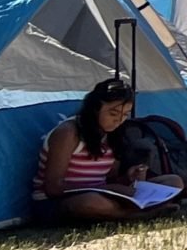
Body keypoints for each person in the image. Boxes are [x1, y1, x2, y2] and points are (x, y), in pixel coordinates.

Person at [31, 79, 153, 224]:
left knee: (173, 182)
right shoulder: (69, 132)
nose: (119, 120)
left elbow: (110, 180)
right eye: (113, 114)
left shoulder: (114, 134)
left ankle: (126, 210)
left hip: (102, 193)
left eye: (125, 115)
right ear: (95, 108)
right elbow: (53, 188)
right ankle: (134, 214)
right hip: (57, 201)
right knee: (91, 202)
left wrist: (128, 178)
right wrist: (105, 189)